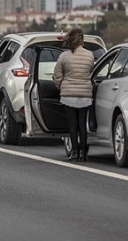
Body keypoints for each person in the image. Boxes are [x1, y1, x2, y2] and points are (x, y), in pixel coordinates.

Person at [53, 28, 94, 162]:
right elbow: (91, 73)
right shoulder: (90, 55)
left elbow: (57, 75)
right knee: (82, 124)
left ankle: (74, 152)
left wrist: (61, 87)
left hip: (68, 94)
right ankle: (83, 153)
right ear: (82, 40)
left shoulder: (64, 56)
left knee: (72, 124)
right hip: (85, 94)